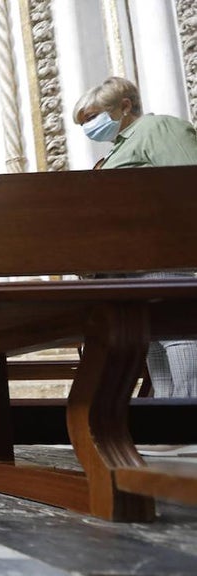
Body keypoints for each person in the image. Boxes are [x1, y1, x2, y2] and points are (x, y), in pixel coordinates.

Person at [74, 76, 197, 398]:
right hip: (131, 259)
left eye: (91, 117)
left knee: (177, 332)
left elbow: (188, 180)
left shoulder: (157, 129)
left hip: (165, 251)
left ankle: (189, 415)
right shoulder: (118, 148)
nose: (88, 127)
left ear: (125, 105)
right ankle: (168, 424)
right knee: (152, 337)